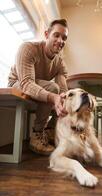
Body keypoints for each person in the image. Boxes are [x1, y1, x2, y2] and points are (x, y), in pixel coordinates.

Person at [8, 19, 69, 155]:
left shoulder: (60, 63)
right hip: (18, 82)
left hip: (36, 85)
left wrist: (64, 100)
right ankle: (36, 134)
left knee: (61, 95)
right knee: (52, 89)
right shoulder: (28, 48)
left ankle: (51, 131)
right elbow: (26, 83)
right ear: (47, 34)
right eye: (56, 35)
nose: (60, 41)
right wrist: (53, 97)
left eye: (64, 38)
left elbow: (63, 89)